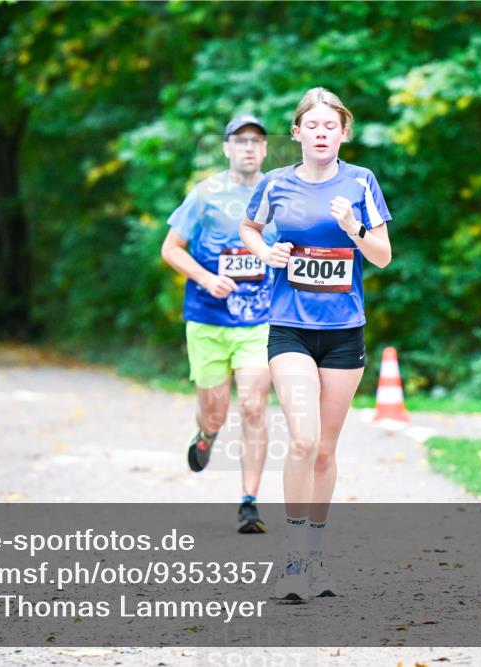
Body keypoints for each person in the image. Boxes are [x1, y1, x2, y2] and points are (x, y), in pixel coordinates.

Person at [239, 88, 393, 601]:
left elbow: (383, 256)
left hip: (344, 333)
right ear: (298, 133)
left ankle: (316, 557)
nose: (323, 132)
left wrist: (353, 227)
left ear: (343, 133)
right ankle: (293, 559)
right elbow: (250, 227)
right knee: (302, 439)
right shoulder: (275, 183)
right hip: (290, 328)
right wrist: (268, 253)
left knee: (325, 450)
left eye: (332, 125)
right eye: (314, 125)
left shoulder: (362, 182)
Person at [161, 114, 277, 534]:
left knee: (252, 406)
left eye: (256, 141)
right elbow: (171, 248)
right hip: (208, 319)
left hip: (260, 320)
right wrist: (207, 278)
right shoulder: (205, 194)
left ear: (264, 150)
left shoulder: (278, 193)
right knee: (216, 412)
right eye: (240, 140)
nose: (249, 147)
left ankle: (250, 501)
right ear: (227, 148)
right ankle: (206, 436)